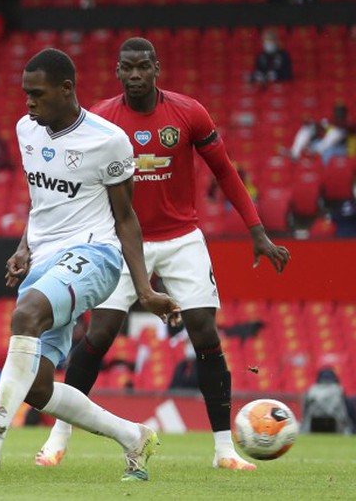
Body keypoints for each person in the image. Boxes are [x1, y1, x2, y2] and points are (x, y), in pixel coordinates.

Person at [34, 37, 290, 472]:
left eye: (143, 67)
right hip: (120, 241)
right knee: (100, 334)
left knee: (204, 333)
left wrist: (257, 231)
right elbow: (73, 182)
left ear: (157, 69)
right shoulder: (101, 118)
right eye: (127, 68)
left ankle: (224, 450)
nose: (135, 75)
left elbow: (224, 171)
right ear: (118, 72)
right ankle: (58, 438)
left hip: (181, 237)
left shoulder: (189, 113)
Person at [0, 48, 180, 482]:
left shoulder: (108, 140)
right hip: (45, 261)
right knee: (37, 388)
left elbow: (126, 218)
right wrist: (24, 247)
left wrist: (144, 289)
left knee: (25, 315)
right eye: (25, 93)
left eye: (37, 94)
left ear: (66, 89)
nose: (29, 102)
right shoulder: (26, 129)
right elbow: (41, 200)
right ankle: (133, 436)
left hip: (95, 255)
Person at [301, 367, 354, 434]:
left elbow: (305, 410)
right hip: (335, 423)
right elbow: (345, 412)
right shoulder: (339, 389)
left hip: (314, 422)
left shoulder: (312, 390)